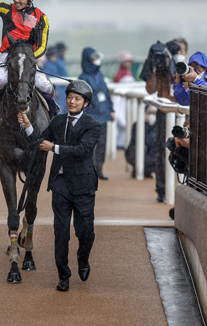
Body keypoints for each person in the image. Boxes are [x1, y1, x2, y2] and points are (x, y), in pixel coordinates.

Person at [18, 80, 101, 292]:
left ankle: (83, 260)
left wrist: (53, 148)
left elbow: (81, 150)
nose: (72, 101)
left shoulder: (92, 125)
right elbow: (39, 143)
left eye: (77, 99)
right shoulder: (58, 121)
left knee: (85, 233)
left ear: (86, 103)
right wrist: (28, 127)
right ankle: (63, 275)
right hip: (60, 185)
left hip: (83, 187)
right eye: (70, 97)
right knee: (61, 233)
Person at [139, 41, 176, 203]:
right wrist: (155, 68)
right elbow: (150, 89)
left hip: (181, 112)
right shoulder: (160, 71)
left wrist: (176, 68)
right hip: (163, 113)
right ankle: (162, 189)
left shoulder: (182, 67)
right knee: (162, 150)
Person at [78, 47, 115, 180]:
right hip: (91, 117)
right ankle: (88, 171)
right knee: (89, 146)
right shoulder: (83, 78)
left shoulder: (99, 75)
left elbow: (106, 94)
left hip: (103, 116)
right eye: (93, 58)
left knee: (102, 145)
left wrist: (111, 110)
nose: (96, 61)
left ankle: (99, 170)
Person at [125, 106, 157, 178]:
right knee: (140, 148)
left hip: (153, 154)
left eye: (154, 113)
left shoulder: (159, 126)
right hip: (139, 153)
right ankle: (141, 169)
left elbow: (153, 142)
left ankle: (148, 170)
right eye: (150, 113)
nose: (152, 115)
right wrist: (144, 123)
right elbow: (137, 140)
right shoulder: (137, 124)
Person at [113, 51, 136, 148]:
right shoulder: (120, 73)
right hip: (120, 100)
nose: (129, 64)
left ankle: (123, 143)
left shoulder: (129, 72)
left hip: (127, 100)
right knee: (120, 122)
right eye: (127, 62)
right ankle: (118, 143)